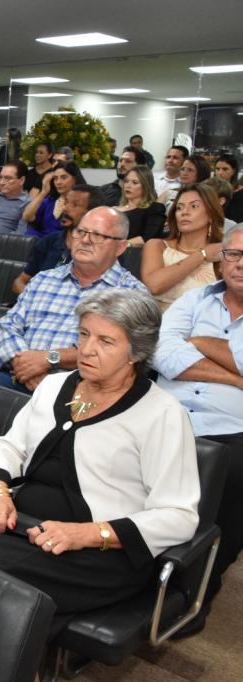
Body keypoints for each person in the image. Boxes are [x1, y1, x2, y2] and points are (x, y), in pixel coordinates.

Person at [0, 289, 199, 616]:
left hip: (96, 553)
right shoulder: (54, 386)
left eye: (106, 342)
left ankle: (7, 664)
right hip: (19, 525)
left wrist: (83, 534)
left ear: (135, 353)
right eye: (84, 335)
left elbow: (179, 516)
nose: (87, 349)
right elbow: (9, 446)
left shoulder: (161, 413)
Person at [152, 224, 243, 634]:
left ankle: (200, 583)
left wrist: (200, 341)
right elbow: (162, 352)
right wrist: (236, 375)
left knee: (233, 484)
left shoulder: (193, 313)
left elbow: (182, 348)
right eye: (234, 254)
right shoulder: (193, 298)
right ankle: (135, 572)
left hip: (232, 427)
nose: (239, 264)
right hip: (165, 413)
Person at [0, 207, 147, 393]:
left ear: (121, 247)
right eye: (81, 231)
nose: (85, 240)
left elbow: (120, 354)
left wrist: (48, 359)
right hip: (16, 377)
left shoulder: (132, 294)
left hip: (81, 390)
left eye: (98, 235)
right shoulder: (44, 278)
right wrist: (25, 364)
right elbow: (9, 326)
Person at [141, 184, 223, 312]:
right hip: (158, 325)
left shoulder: (221, 252)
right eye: (179, 208)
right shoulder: (157, 245)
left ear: (211, 215)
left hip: (203, 327)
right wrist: (202, 255)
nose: (184, 212)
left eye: (194, 206)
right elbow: (154, 285)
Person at [13, 185, 104, 295]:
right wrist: (33, 298)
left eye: (75, 205)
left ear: (92, 213)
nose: (65, 209)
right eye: (66, 203)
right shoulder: (49, 241)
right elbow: (20, 281)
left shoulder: (103, 250)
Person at [22, 161, 86, 238]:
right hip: (43, 243)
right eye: (55, 178)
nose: (58, 182)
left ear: (75, 179)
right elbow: (26, 217)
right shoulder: (50, 200)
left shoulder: (82, 203)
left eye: (63, 177)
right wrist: (43, 192)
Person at [117, 165, 167, 245]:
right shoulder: (114, 208)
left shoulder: (152, 210)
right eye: (126, 181)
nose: (128, 185)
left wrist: (119, 246)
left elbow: (149, 238)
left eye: (135, 182)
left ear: (145, 186)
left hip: (132, 253)